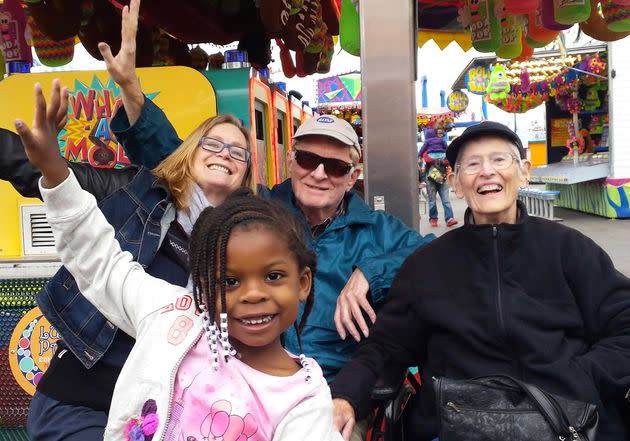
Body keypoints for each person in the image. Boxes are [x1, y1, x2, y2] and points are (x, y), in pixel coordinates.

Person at [15, 81, 343, 441]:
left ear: (304, 283)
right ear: (201, 281)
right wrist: (53, 170)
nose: (252, 294)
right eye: (229, 280)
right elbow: (100, 259)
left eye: (274, 276)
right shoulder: (174, 314)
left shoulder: (304, 401)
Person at [331, 121, 630, 441]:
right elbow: (385, 347)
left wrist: (582, 377)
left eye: (500, 160)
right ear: (455, 183)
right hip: (458, 424)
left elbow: (624, 322)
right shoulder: (426, 265)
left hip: (567, 421)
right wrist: (346, 397)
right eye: (472, 164)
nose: (487, 171)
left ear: (524, 172)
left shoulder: (569, 249)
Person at [419, 127, 457, 228]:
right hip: (435, 177)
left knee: (441, 199)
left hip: (438, 176)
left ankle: (447, 218)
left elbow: (448, 157)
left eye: (441, 134)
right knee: (436, 200)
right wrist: (441, 160)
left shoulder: (428, 147)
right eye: (439, 134)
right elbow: (426, 159)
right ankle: (436, 218)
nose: (440, 136)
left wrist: (443, 161)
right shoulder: (433, 148)